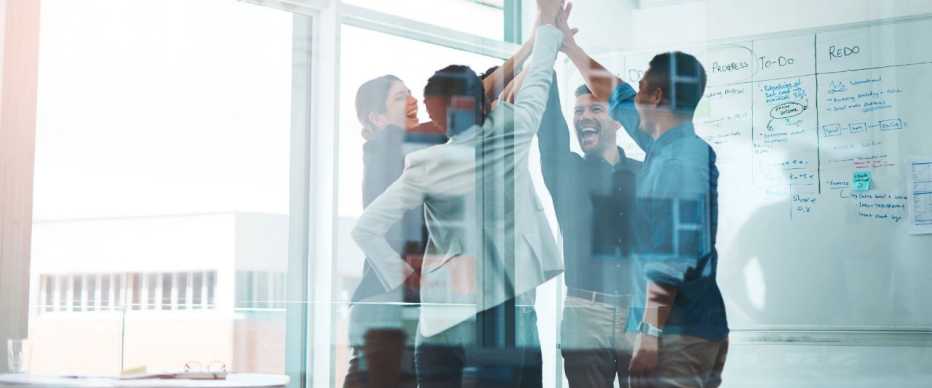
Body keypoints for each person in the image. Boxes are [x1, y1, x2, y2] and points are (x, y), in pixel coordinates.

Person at [351, 1, 566, 386]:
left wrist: (405, 275)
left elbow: (364, 229)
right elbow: (539, 82)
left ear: (436, 118)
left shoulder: (424, 163)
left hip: (441, 321)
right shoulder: (516, 132)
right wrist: (547, 33)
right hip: (506, 316)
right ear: (484, 104)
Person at [555, 4, 729, 388]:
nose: (633, 96)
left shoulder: (681, 161)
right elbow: (614, 91)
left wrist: (648, 336)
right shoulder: (662, 143)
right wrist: (568, 46)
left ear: (656, 97)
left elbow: (671, 255)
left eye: (642, 87)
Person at [537, 76, 642, 386]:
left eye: (596, 109)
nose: (584, 117)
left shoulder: (645, 172)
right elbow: (550, 129)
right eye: (578, 111)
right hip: (585, 311)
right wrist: (550, 56)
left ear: (618, 120)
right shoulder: (567, 171)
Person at [345, 74, 443, 388]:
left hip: (390, 304)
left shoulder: (398, 153)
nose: (413, 101)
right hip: (387, 304)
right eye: (401, 97)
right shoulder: (386, 143)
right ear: (378, 118)